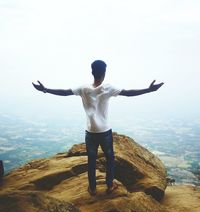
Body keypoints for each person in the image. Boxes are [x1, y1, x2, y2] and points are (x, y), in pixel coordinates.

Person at [32, 60, 164, 196]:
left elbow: (65, 92)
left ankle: (93, 188)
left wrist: (45, 89)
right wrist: (149, 89)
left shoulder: (84, 88)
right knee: (110, 158)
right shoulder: (108, 88)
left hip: (90, 131)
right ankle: (110, 185)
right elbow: (128, 93)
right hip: (105, 132)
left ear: (92, 72)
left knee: (91, 160)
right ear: (104, 73)